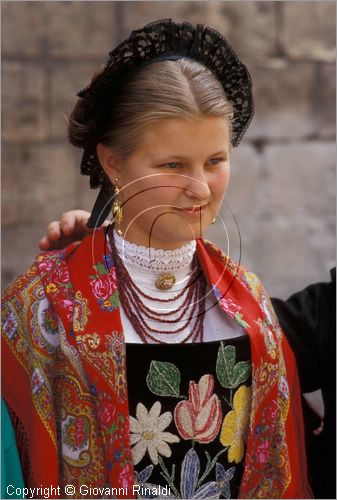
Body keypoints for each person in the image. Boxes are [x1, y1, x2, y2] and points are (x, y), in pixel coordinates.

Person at [2, 19, 313, 499]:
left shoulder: (249, 300)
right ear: (112, 163)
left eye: (214, 161)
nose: (200, 188)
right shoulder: (41, 307)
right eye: (172, 165)